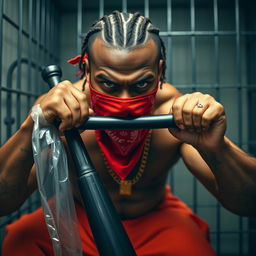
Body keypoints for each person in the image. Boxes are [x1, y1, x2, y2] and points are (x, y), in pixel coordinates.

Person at [1, 10, 256, 256]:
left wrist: (217, 147)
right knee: (19, 241)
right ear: (87, 70)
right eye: (108, 84)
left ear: (159, 71)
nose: (125, 101)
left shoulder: (171, 112)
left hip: (155, 219)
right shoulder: (63, 112)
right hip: (79, 215)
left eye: (141, 83)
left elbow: (247, 204)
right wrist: (31, 127)